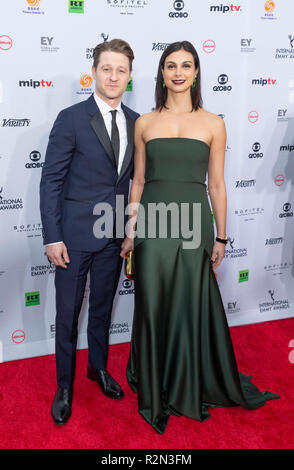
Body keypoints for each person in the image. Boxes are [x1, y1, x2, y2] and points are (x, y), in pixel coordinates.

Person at [120, 40, 279, 434]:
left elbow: (218, 186)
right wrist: (129, 231)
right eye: (170, 65)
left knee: (189, 302)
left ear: (195, 73)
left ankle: (187, 381)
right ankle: (157, 384)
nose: (177, 72)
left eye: (186, 65)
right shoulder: (144, 122)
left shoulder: (213, 123)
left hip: (194, 224)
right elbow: (137, 182)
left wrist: (222, 237)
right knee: (153, 302)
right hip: (154, 223)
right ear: (161, 72)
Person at [40, 39, 139, 425]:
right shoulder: (71, 118)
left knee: (102, 308)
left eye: (121, 70)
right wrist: (52, 236)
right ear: (94, 71)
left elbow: (133, 183)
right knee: (68, 315)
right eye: (107, 69)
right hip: (74, 237)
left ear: (129, 76)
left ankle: (97, 368)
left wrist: (130, 229)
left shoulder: (136, 121)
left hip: (115, 234)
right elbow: (51, 181)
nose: (113, 76)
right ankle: (64, 385)